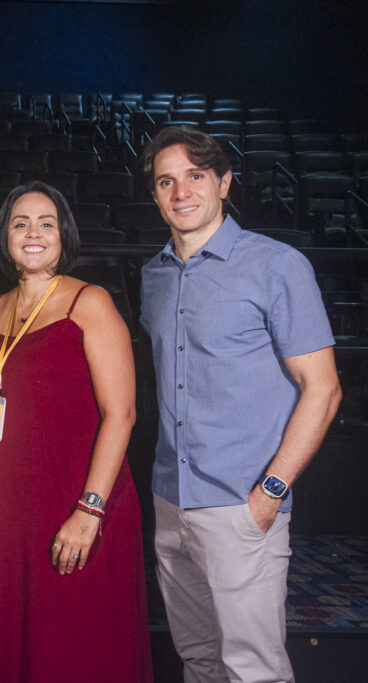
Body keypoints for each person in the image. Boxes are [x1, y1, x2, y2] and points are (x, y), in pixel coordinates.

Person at [140, 126, 341, 682]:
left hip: (243, 506)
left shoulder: (277, 266)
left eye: (196, 176)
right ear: (155, 195)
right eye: (166, 181)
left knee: (253, 670)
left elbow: (323, 390)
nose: (181, 192)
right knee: (198, 661)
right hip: (170, 503)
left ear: (224, 183)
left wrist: (271, 491)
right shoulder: (152, 276)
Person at [0, 181, 153, 682]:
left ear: (63, 236)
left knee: (72, 645)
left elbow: (122, 413)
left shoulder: (89, 302)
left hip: (75, 499)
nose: (33, 232)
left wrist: (90, 510)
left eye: (47, 223)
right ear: (4, 236)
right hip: (8, 507)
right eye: (20, 222)